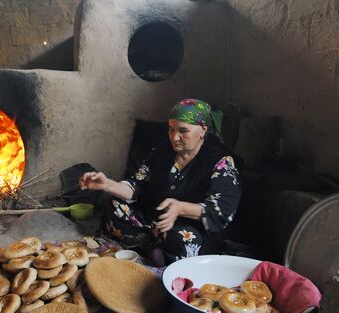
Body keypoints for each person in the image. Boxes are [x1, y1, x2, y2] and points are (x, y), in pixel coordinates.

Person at [79, 98, 241, 266]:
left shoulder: (220, 161)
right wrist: (107, 184)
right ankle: (151, 246)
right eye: (171, 129)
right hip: (153, 221)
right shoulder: (162, 151)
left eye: (183, 131)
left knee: (181, 239)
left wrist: (180, 208)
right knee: (115, 206)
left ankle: (156, 249)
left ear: (202, 130)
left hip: (190, 227)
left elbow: (222, 210)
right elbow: (136, 185)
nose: (174, 137)